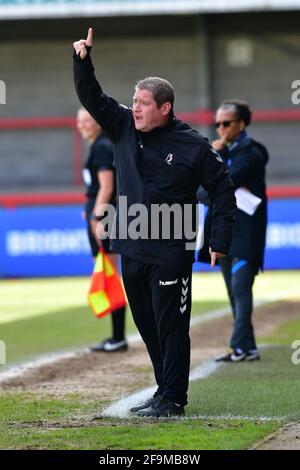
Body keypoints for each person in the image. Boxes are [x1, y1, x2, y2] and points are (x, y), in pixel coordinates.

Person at [73, 28, 236, 417]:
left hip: (171, 247)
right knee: (147, 325)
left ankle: (174, 399)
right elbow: (92, 98)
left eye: (144, 103)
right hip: (131, 244)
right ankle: (164, 390)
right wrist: (82, 61)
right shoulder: (123, 126)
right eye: (134, 101)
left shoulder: (193, 145)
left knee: (171, 327)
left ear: (165, 107)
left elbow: (222, 190)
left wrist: (219, 240)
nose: (136, 108)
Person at [199, 100, 268, 363]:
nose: (220, 128)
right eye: (217, 123)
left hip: (247, 231)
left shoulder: (251, 153)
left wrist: (215, 155)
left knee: (241, 287)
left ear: (242, 124)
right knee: (232, 290)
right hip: (224, 229)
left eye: (226, 123)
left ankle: (238, 346)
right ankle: (248, 348)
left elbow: (221, 184)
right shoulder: (224, 151)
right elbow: (202, 192)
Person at [77, 107, 128, 353]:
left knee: (110, 275)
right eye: (80, 121)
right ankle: (117, 336)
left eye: (88, 119)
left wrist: (97, 216)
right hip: (102, 216)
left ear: (98, 122)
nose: (83, 124)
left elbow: (107, 186)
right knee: (111, 274)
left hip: (103, 219)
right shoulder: (101, 145)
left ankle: (118, 337)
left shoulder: (101, 147)